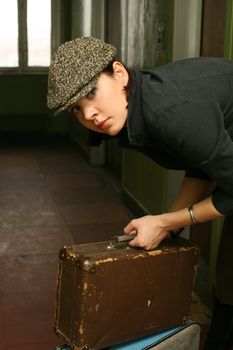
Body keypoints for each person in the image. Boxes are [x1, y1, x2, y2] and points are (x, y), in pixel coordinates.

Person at [47, 36, 233, 350]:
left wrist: (166, 221)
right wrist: (170, 224)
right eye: (76, 109)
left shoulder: (169, 111)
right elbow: (202, 162)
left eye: (92, 93)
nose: (89, 115)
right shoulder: (133, 111)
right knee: (229, 282)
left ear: (119, 73)